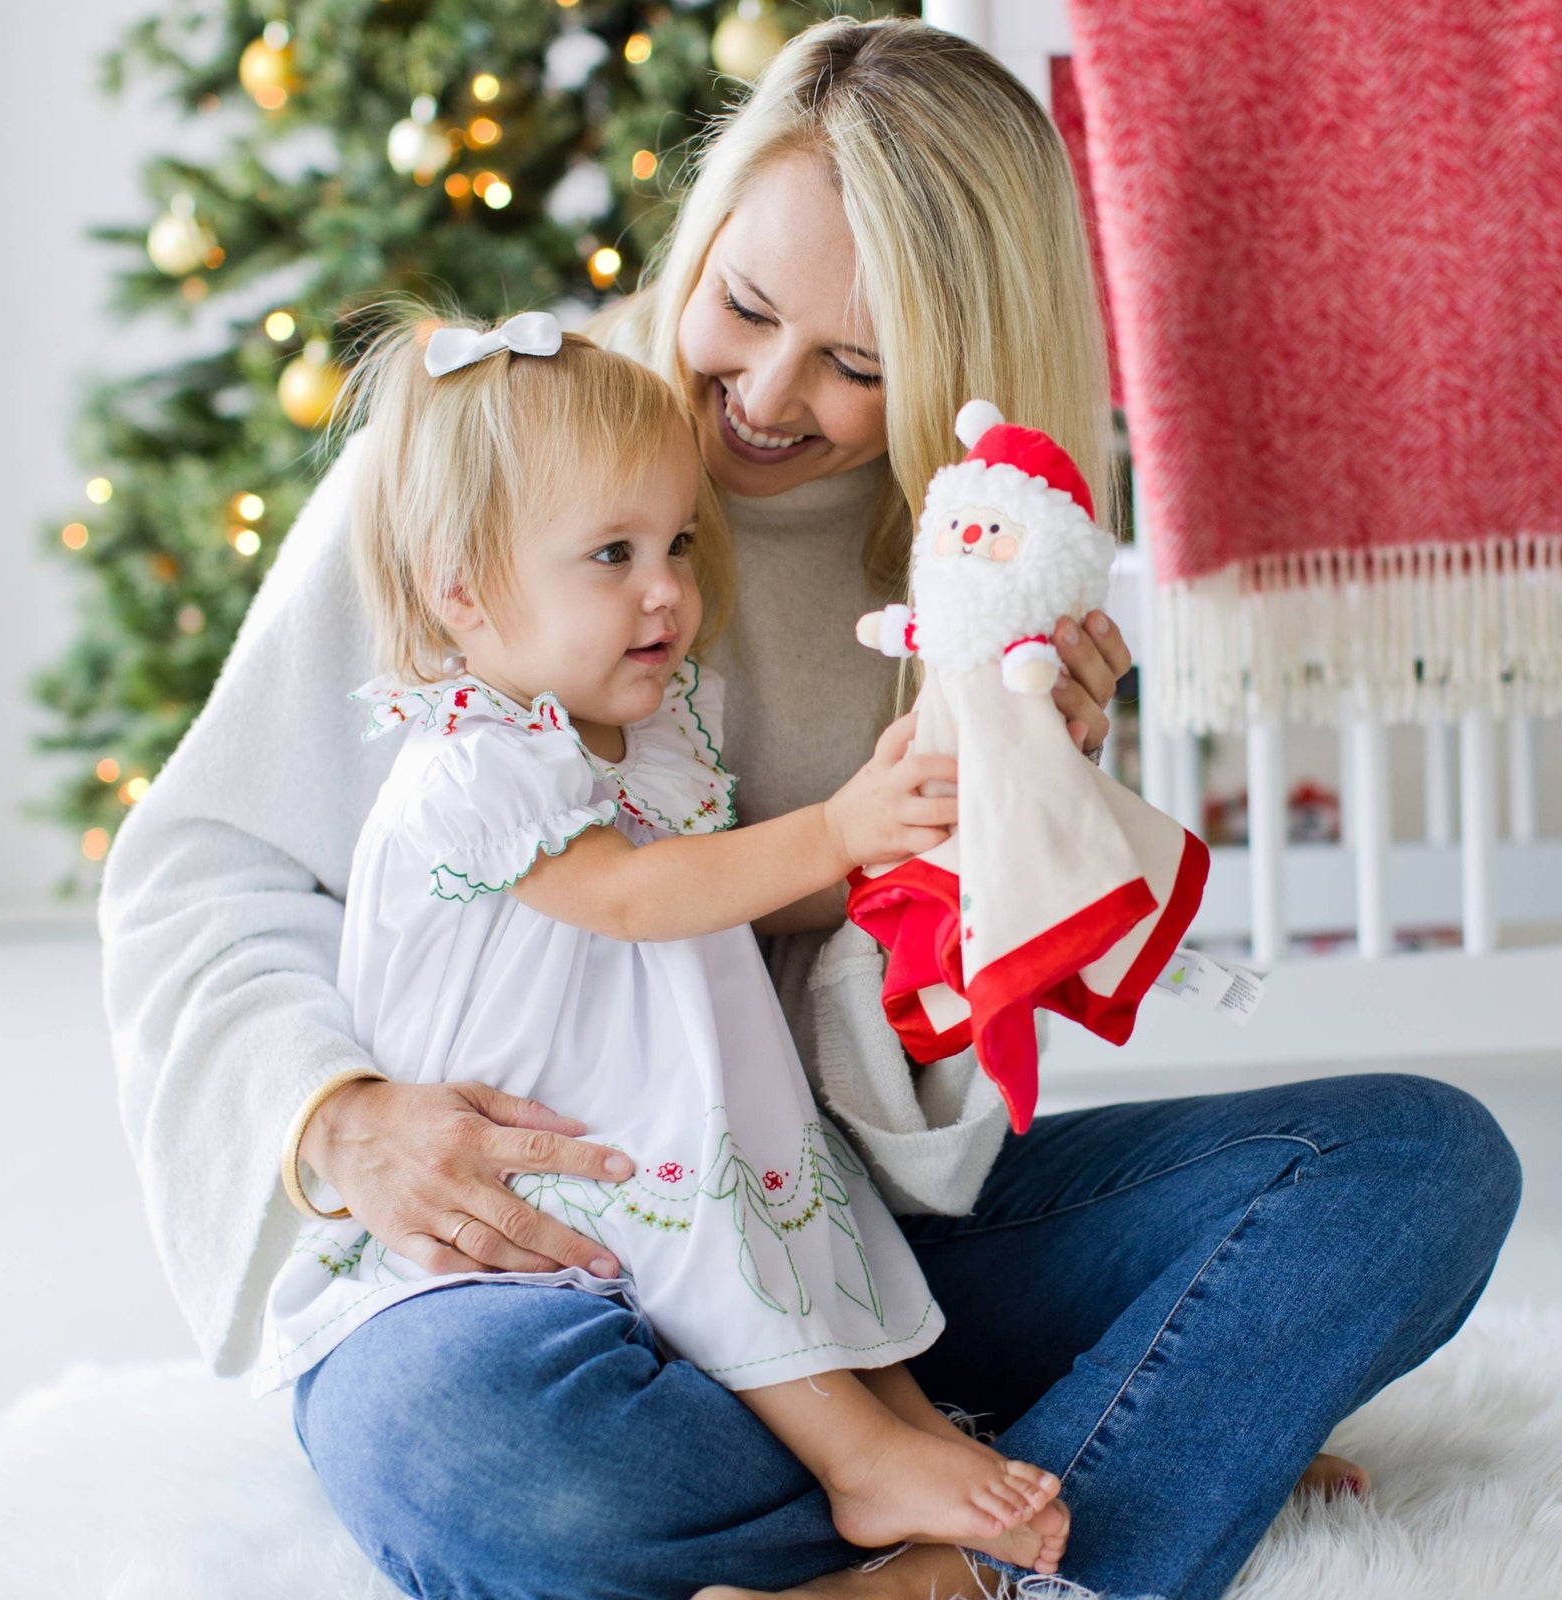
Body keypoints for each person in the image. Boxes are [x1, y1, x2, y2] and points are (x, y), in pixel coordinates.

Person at [102, 17, 1522, 1600]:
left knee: (1415, 1165)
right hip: (526, 1246)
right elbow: (204, 872)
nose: (765, 396)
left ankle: (933, 1538)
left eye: (857, 366)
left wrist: (1014, 817)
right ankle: (1092, 1492)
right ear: (700, 238)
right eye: (743, 308)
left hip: (819, 1225)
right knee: (484, 1444)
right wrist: (337, 1123)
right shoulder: (487, 457)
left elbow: (912, 1084)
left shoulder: (971, 583)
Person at [255, 308, 1069, 1570]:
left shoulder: (648, 731)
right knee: (687, 1226)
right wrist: (841, 827)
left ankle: (906, 1436)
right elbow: (639, 897)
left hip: (687, 1097)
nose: (668, 590)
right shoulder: (471, 765)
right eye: (612, 553)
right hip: (554, 1140)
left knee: (812, 1208)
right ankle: (860, 1464)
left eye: (678, 542)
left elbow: (730, 895)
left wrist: (897, 851)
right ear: (463, 592)